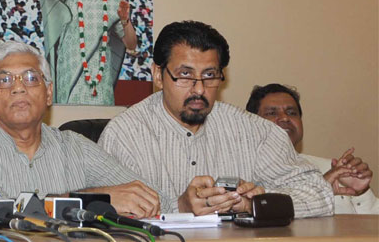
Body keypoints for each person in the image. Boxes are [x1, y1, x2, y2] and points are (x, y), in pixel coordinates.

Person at [99, 21, 332, 217]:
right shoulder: (124, 134)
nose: (199, 89)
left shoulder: (254, 131)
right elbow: (104, 214)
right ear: (159, 75)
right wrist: (179, 208)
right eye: (185, 75)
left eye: (209, 76)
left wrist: (253, 203)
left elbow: (320, 194)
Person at [0, 41, 159, 217]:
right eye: (4, 80)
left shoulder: (76, 148)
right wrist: (95, 199)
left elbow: (145, 196)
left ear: (49, 93)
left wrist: (185, 203)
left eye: (31, 78)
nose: (18, 87)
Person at [2, 0, 138, 105]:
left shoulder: (112, 2)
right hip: (68, 79)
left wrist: (125, 21)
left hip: (98, 88)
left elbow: (131, 44)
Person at [246, 84, 377, 214]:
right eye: (271, 113)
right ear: (252, 125)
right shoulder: (243, 176)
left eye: (292, 113)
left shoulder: (330, 168)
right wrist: (321, 188)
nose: (285, 118)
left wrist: (361, 193)